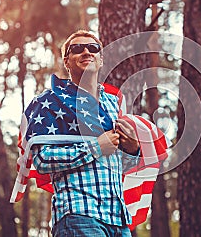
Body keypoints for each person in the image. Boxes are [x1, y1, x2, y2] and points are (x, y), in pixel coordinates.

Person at [30, 30, 140, 237]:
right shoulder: (51, 101)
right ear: (66, 61)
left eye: (93, 48)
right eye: (77, 49)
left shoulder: (112, 103)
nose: (86, 52)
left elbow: (115, 163)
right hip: (79, 214)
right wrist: (95, 147)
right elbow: (42, 159)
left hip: (118, 220)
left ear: (100, 59)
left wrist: (133, 150)